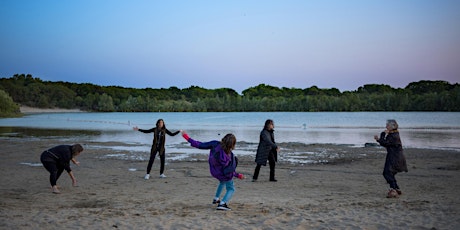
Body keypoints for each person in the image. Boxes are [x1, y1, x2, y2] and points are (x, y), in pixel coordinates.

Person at [181, 130, 244, 211]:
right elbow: (229, 171)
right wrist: (238, 175)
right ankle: (223, 203)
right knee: (231, 188)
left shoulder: (215, 144)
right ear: (232, 145)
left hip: (214, 171)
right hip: (223, 173)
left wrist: (186, 137)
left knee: (222, 182)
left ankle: (216, 198)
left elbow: (200, 145)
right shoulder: (228, 156)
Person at [374, 119, 408, 198]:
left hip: (395, 157)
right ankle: (396, 188)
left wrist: (382, 135)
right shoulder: (394, 134)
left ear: (393, 126)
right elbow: (386, 143)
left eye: (387, 125)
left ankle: (393, 190)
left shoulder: (394, 135)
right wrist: (379, 139)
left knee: (387, 173)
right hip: (395, 156)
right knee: (390, 173)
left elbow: (385, 142)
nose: (386, 126)